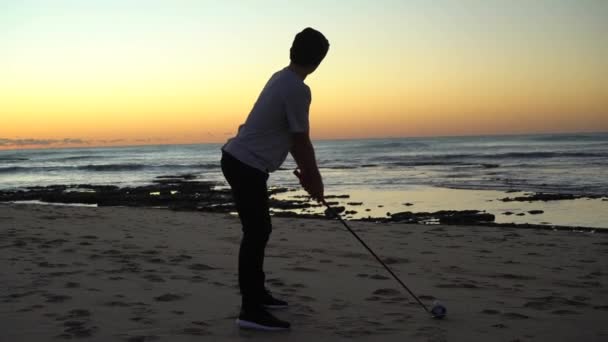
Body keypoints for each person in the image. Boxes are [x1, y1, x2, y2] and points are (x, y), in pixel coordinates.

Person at [220, 27, 329, 331]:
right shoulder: (296, 88)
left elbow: (292, 140)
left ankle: (258, 296)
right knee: (256, 233)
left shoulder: (281, 77)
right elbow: (301, 140)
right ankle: (250, 310)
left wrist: (307, 174)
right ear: (319, 61)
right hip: (245, 164)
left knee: (258, 231)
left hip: (239, 161)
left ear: (292, 50)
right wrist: (314, 179)